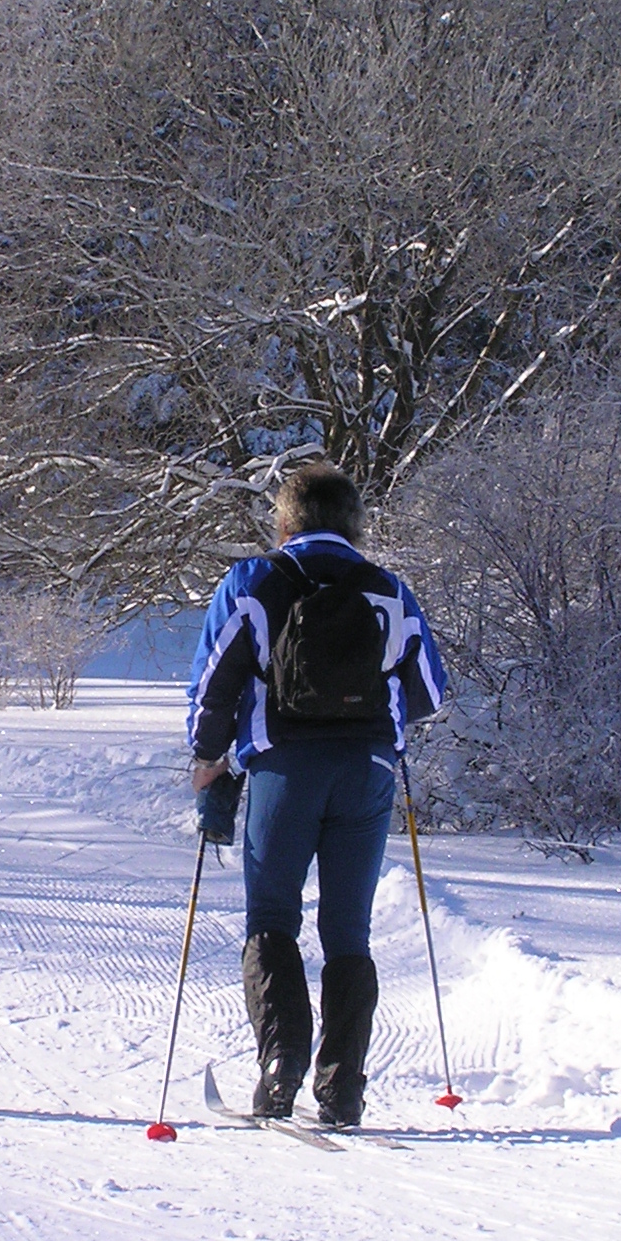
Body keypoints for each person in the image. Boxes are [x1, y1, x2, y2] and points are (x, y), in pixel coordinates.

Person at [187, 463, 445, 1125]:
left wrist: (209, 758)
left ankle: (281, 1067)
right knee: (348, 928)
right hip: (367, 771)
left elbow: (213, 683)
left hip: (284, 769)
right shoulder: (389, 590)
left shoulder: (254, 581)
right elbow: (429, 692)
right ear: (356, 524)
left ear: (284, 521)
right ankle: (343, 1087)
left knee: (272, 917)